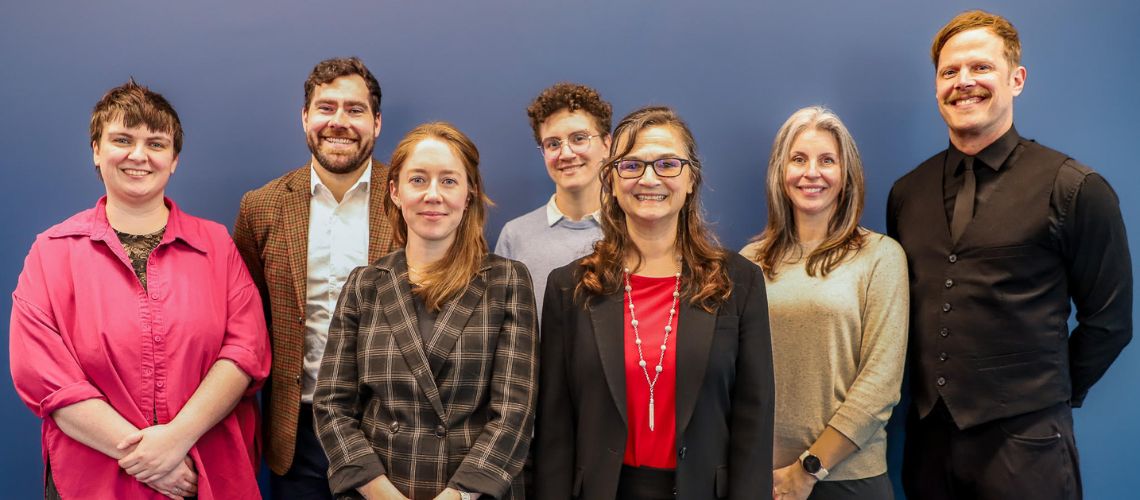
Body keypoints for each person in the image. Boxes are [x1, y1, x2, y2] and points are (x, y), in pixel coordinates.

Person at [887, 10, 1132, 500]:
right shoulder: (906, 194)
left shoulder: (1074, 187)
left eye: (981, 67)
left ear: (1016, 79)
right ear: (937, 86)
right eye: (950, 71)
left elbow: (1110, 322)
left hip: (1029, 448)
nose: (964, 82)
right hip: (928, 448)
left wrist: (1044, 397)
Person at [10, 80, 270, 499]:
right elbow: (45, 378)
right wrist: (148, 460)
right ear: (96, 150)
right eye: (122, 140)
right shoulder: (52, 253)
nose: (138, 155)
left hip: (200, 475)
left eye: (156, 143)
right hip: (93, 479)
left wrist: (174, 442)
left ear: (174, 160)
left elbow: (245, 351)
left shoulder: (217, 246)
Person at [534, 106, 774, 500]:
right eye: (631, 166)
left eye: (667, 164)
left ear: (691, 179)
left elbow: (755, 420)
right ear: (611, 181)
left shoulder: (739, 282)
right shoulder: (569, 287)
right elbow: (555, 431)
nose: (649, 179)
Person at [314, 122, 538, 500]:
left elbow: (514, 413)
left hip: (472, 493)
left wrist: (458, 495)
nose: (433, 195)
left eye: (448, 181)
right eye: (418, 180)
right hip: (378, 492)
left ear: (469, 193)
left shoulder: (507, 281)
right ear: (395, 191)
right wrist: (381, 493)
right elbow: (332, 406)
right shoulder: (364, 285)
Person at [233, 57, 396, 499]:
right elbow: (247, 326)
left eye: (355, 109)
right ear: (305, 117)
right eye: (326, 108)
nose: (339, 121)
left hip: (391, 427)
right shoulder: (261, 207)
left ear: (377, 122)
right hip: (298, 436)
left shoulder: (409, 199)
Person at [742, 106, 907, 500]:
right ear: (781, 172)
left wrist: (808, 469)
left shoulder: (880, 256)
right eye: (798, 159)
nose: (811, 172)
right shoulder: (749, 262)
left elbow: (881, 385)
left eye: (827, 160)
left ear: (846, 174)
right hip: (765, 480)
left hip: (848, 480)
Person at [495, 82, 611, 316]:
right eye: (553, 144)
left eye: (579, 138)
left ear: (606, 144)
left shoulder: (633, 229)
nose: (566, 154)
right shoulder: (515, 237)